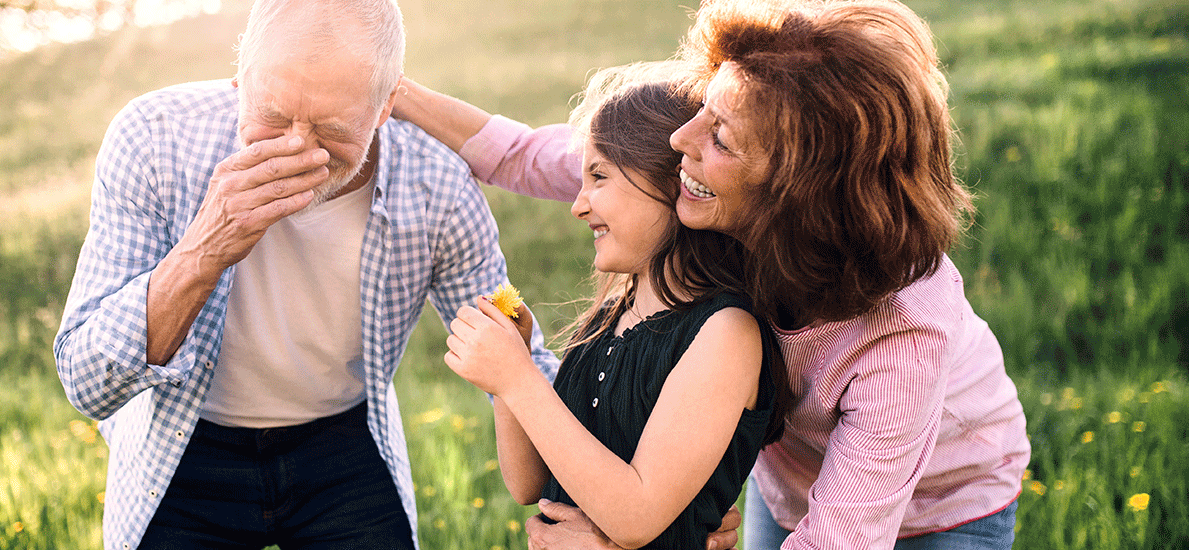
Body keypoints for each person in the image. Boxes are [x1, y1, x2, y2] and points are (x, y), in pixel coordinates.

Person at [392, 0, 1031, 548]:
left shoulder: (903, 333)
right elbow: (527, 156)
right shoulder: (702, 187)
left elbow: (841, 535)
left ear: (796, 192)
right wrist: (394, 93)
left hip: (947, 504)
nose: (680, 142)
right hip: (788, 482)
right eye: (706, 107)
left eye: (720, 136)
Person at [52, 0, 558, 548]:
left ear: (387, 103)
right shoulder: (152, 138)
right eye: (271, 114)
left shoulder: (439, 183)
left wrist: (621, 488)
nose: (295, 145)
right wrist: (203, 250)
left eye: (331, 128)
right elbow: (86, 382)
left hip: (343, 442)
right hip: (183, 441)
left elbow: (520, 351)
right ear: (241, 70)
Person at [442, 63, 791, 550]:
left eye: (599, 176)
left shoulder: (725, 333)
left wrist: (520, 380)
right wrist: (508, 377)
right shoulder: (611, 317)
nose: (578, 205)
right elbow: (529, 483)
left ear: (674, 181)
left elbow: (636, 514)